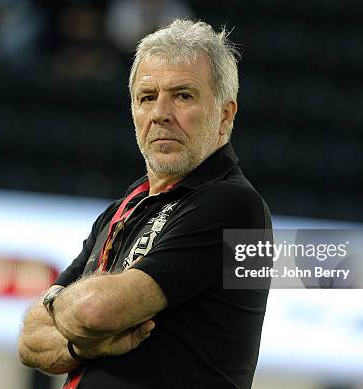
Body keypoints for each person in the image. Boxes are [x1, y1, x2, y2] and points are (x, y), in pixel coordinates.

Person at [18, 19, 272, 389]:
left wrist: (57, 302)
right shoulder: (123, 207)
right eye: (147, 97)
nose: (160, 114)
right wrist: (83, 343)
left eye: (183, 95)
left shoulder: (234, 206)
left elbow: (94, 311)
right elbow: (30, 344)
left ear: (225, 115)